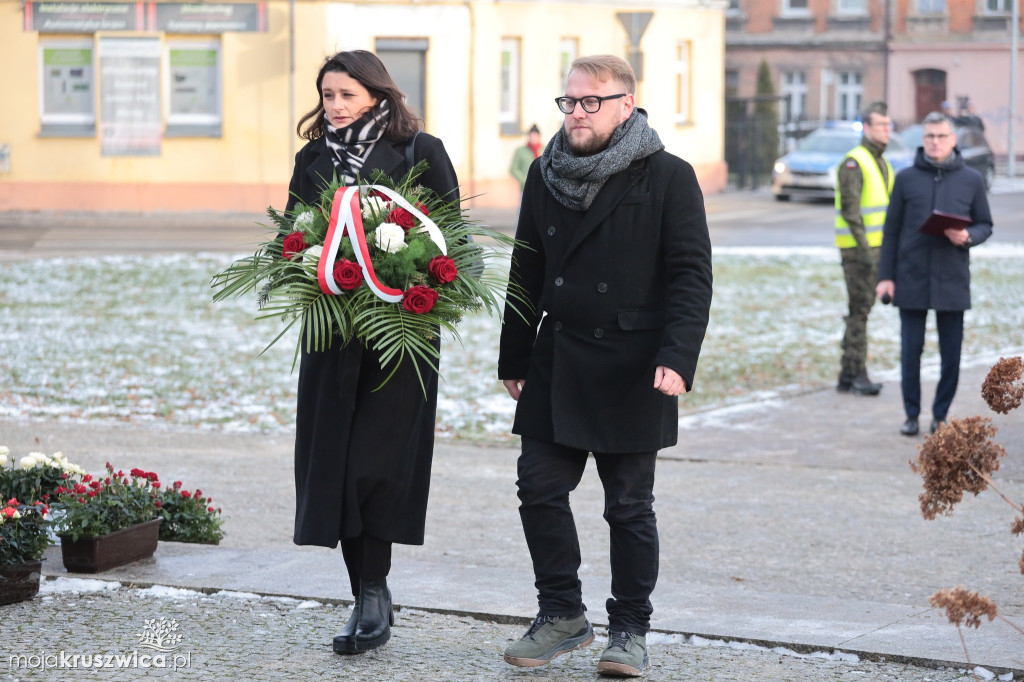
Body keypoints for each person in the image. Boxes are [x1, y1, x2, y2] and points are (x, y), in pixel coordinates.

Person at [497, 55, 713, 677]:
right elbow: (526, 268)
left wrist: (678, 356)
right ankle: (562, 613)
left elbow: (690, 275)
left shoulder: (668, 175)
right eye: (569, 102)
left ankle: (629, 630)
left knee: (628, 506)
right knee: (538, 487)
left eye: (591, 102)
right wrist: (514, 353)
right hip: (558, 358)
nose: (577, 114)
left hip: (635, 364)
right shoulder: (545, 173)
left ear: (627, 103)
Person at [286, 50, 459, 655]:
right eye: (327, 96)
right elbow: (291, 240)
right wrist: (309, 264)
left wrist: (398, 274)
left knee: (375, 468)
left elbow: (450, 244)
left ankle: (374, 591)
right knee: (335, 467)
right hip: (333, 339)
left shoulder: (421, 152)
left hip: (400, 339)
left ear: (378, 97)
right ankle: (368, 597)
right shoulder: (312, 160)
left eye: (346, 96)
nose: (334, 108)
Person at [876, 111, 992, 436]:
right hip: (911, 276)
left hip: (952, 278)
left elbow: (986, 223)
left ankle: (940, 414)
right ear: (922, 140)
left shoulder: (971, 180)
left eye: (941, 136)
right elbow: (891, 231)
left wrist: (969, 237)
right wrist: (885, 276)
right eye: (929, 136)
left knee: (951, 356)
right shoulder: (906, 179)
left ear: (953, 140)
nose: (935, 142)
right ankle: (911, 414)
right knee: (910, 353)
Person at [834, 101, 893, 395]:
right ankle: (858, 374)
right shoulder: (854, 161)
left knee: (860, 309)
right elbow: (850, 210)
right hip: (859, 252)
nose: (888, 129)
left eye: (889, 124)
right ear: (868, 128)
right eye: (883, 124)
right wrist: (866, 251)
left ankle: (847, 374)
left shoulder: (880, 160)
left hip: (875, 250)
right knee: (860, 312)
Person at [510, 124, 542, 192]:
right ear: (528, 136)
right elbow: (513, 169)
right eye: (531, 135)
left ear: (539, 136)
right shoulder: (520, 151)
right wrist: (525, 180)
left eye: (535, 135)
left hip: (542, 188)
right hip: (525, 188)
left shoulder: (545, 150)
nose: (533, 137)